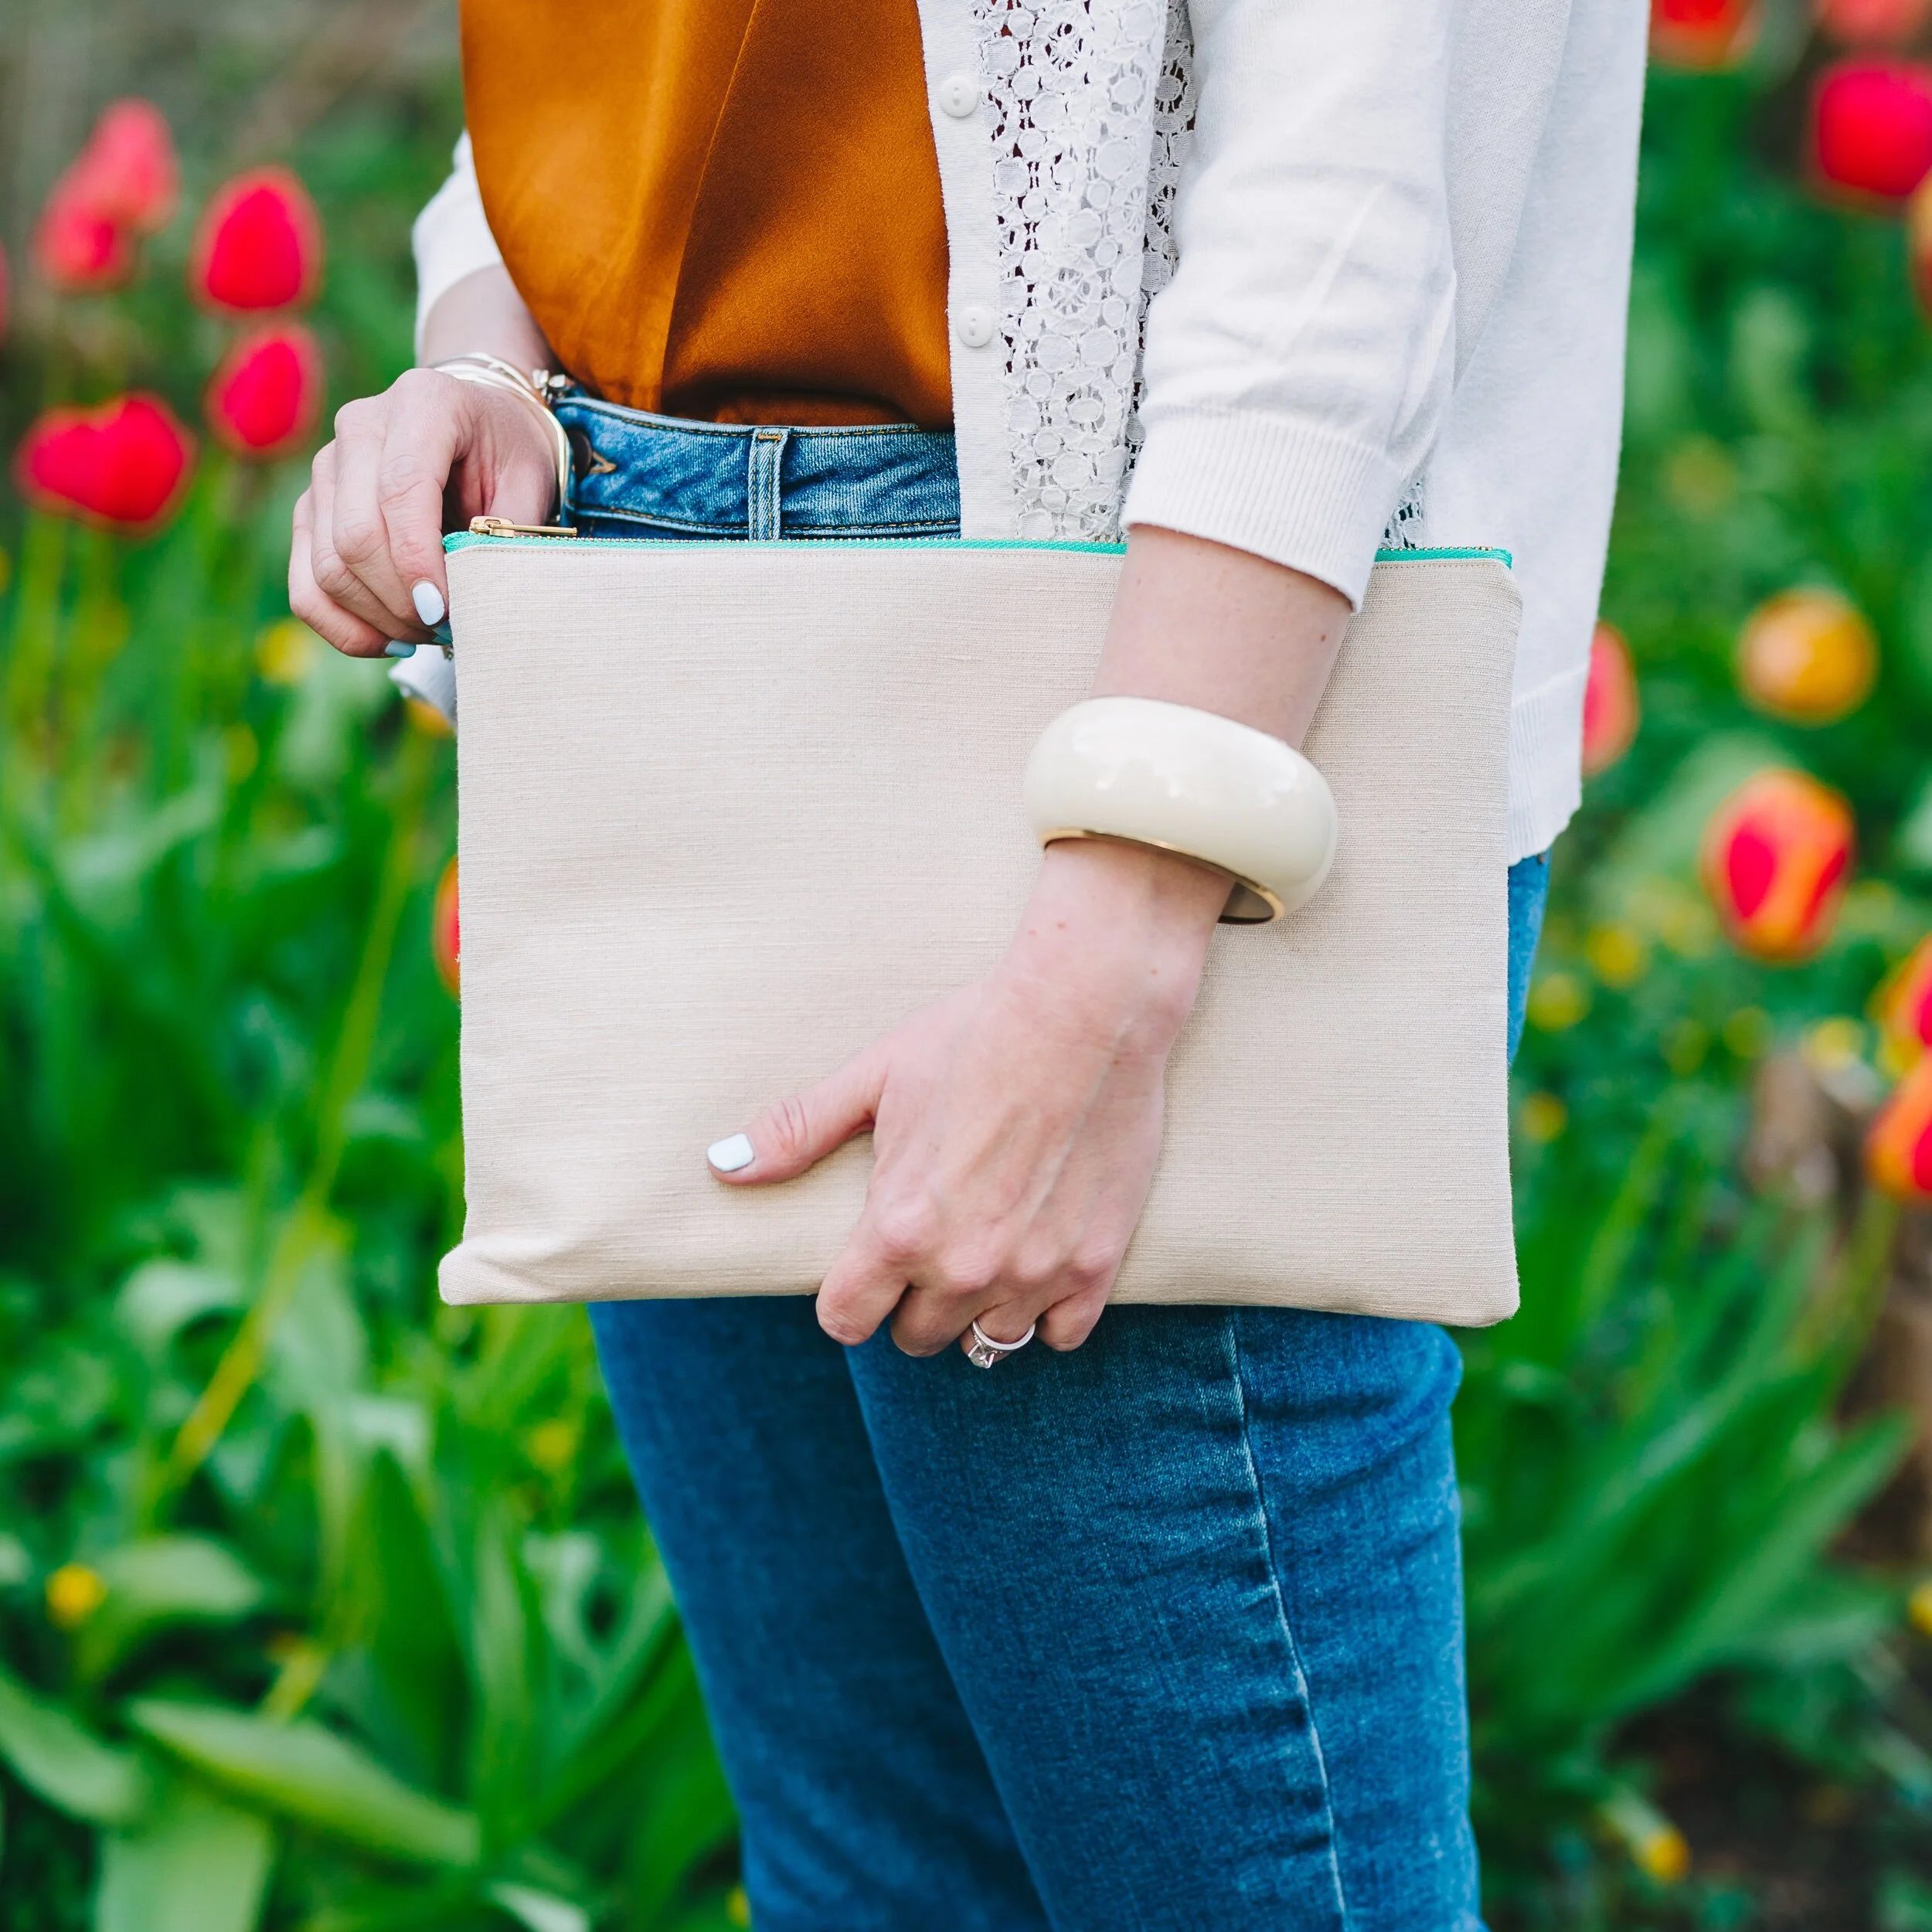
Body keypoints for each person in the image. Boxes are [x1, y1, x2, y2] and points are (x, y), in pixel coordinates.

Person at [289, 2, 1647, 1923]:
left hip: (1148, 682)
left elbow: (1338, 194)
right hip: (660, 627)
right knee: (869, 1875)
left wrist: (1115, 933)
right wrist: (481, 359)